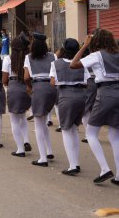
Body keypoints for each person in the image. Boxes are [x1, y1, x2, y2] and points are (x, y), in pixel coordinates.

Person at [70, 29, 119, 185]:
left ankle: (105, 169)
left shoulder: (97, 55)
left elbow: (73, 64)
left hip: (105, 93)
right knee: (115, 135)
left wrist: (84, 46)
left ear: (95, 41)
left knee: (91, 133)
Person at [50, 38, 90, 176]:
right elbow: (87, 82)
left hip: (65, 96)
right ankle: (76, 162)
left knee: (66, 130)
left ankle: (73, 165)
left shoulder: (56, 63)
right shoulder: (82, 64)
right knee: (74, 129)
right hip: (81, 96)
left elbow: (52, 82)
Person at [24, 32, 57, 167]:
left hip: (38, 87)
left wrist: (29, 87)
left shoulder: (28, 57)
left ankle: (43, 158)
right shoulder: (53, 56)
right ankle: (49, 151)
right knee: (44, 121)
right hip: (51, 88)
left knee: (39, 123)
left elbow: (26, 77)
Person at [2, 35, 32, 157]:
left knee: (14, 119)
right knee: (23, 116)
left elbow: (4, 79)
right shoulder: (30, 58)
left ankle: (20, 149)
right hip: (27, 87)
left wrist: (8, 85)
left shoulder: (8, 59)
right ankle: (26, 141)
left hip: (14, 86)